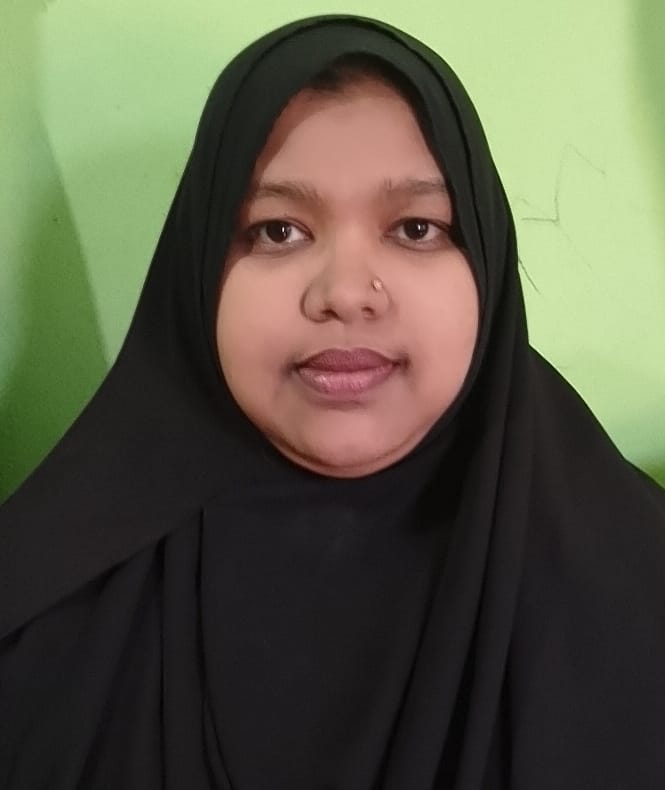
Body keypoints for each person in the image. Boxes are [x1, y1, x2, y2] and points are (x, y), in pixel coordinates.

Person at [1, 14, 664, 790]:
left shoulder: (637, 590)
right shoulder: (47, 614)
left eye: (415, 227)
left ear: (485, 261)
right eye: (277, 230)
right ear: (198, 269)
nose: (345, 292)